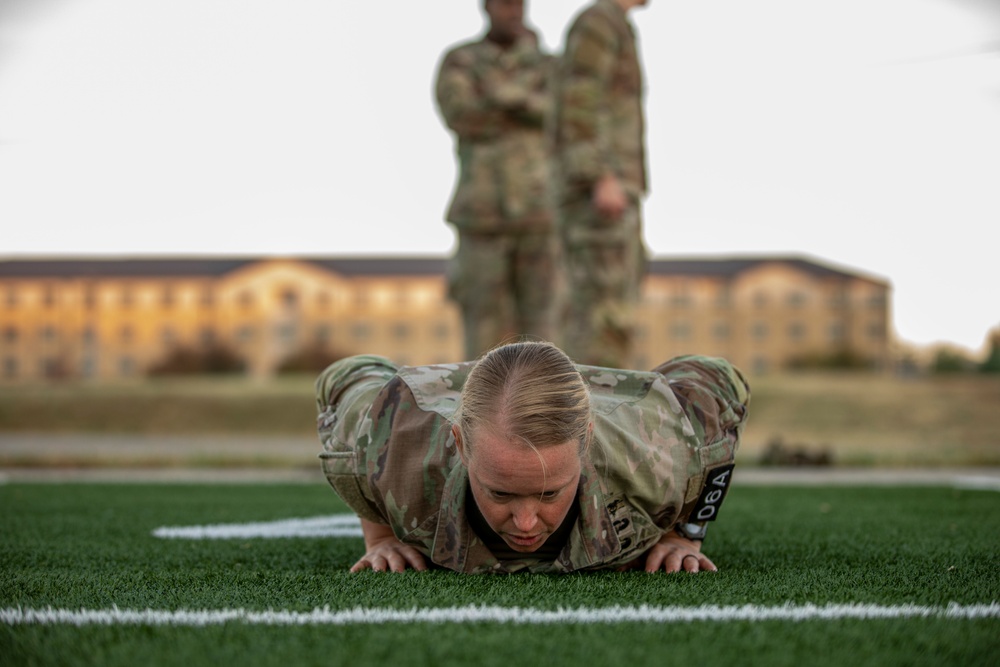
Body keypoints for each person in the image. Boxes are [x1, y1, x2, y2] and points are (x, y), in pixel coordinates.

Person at [315, 340, 750, 574]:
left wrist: (684, 532)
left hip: (619, 404)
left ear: (586, 444)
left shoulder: (665, 453)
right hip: (439, 393)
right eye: (501, 493)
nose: (525, 523)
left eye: (548, 493)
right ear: (461, 446)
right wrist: (381, 535)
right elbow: (346, 376)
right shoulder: (388, 436)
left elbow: (718, 379)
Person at [434, 0, 560, 360]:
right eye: (505, 4)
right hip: (482, 212)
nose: (513, 11)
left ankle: (543, 409)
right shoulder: (461, 61)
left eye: (519, 4)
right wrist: (525, 105)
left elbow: (562, 116)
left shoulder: (550, 65)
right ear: (487, 7)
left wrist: (499, 98)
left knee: (544, 324)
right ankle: (480, 408)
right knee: (483, 321)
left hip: (541, 211)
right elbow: (463, 116)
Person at [552, 0, 650, 368]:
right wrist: (599, 175)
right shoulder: (599, 22)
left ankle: (590, 414)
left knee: (611, 311)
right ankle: (589, 419)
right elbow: (579, 100)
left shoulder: (614, 24)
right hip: (602, 192)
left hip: (615, 188)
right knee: (601, 317)